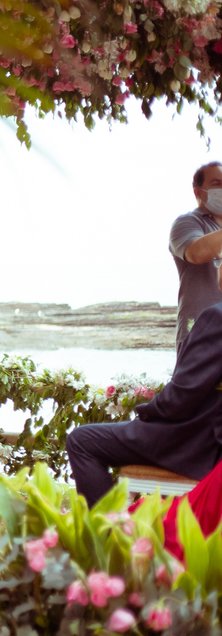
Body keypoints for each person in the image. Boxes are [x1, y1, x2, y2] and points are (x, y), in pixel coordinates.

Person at [67, 267, 222, 507]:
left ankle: (108, 527)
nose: (217, 267)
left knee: (81, 440)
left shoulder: (217, 317)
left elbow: (182, 395)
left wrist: (147, 412)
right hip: (209, 441)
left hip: (198, 443)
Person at [169, 161, 222, 354]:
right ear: (197, 192)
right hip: (199, 335)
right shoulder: (187, 223)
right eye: (217, 183)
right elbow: (196, 252)